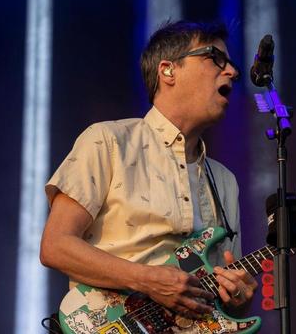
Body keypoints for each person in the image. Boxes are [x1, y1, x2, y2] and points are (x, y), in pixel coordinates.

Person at [40, 20, 258, 323]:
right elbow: (56, 246)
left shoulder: (224, 181)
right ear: (168, 70)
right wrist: (147, 279)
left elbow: (226, 298)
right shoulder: (108, 140)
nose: (231, 71)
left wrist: (239, 299)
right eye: (215, 58)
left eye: (231, 63)